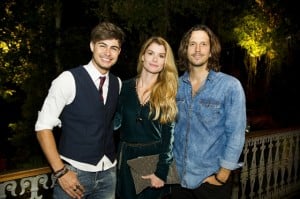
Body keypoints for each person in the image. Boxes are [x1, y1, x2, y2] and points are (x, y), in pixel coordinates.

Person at [35, 22, 125, 199]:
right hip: (74, 175)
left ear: (119, 52)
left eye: (114, 48)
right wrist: (60, 172)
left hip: (109, 174)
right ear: (92, 46)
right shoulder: (68, 79)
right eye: (102, 45)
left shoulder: (118, 83)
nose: (108, 52)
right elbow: (42, 127)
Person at [171, 24, 247, 199]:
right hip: (177, 180)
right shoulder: (174, 86)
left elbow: (236, 133)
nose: (197, 49)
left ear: (211, 50)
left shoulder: (230, 86)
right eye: (192, 44)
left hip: (210, 182)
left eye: (203, 44)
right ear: (185, 49)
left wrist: (222, 175)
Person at [114, 36, 178, 199]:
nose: (155, 59)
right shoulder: (125, 87)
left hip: (153, 160)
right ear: (143, 56)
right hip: (126, 157)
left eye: (161, 56)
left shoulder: (167, 92)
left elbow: (168, 137)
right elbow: (115, 122)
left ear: (165, 62)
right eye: (151, 53)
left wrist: (161, 172)